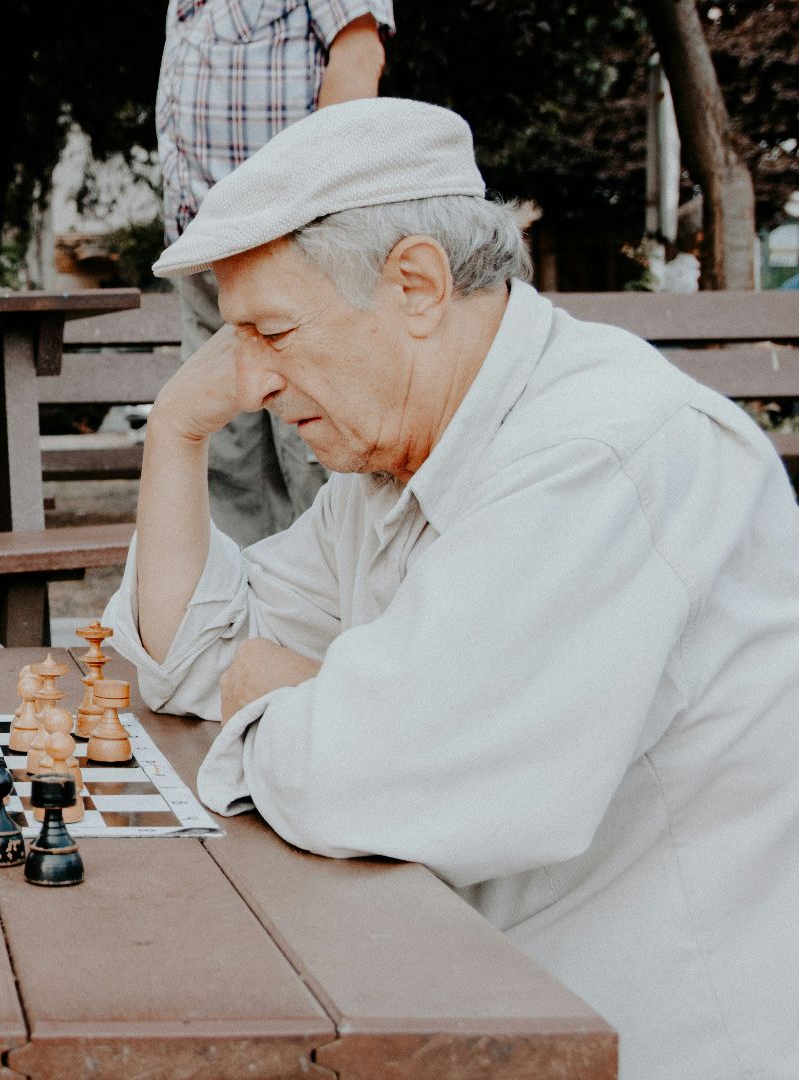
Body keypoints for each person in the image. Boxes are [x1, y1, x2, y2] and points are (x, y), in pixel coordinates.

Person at [103, 98, 799, 1080]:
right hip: (466, 988)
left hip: (637, 1037)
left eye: (272, 330)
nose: (250, 383)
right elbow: (190, 663)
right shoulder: (392, 465)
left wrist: (286, 698)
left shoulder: (599, 451)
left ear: (417, 286)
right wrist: (176, 430)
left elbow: (372, 778)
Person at [156, 0, 392, 546]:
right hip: (205, 247)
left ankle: (337, 616)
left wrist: (318, 209)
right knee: (225, 448)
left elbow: (358, 53)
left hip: (291, 238)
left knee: (314, 444)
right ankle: (242, 616)